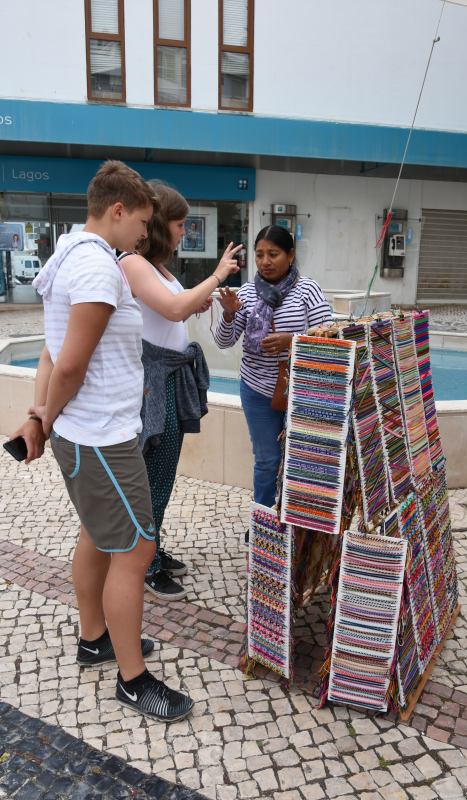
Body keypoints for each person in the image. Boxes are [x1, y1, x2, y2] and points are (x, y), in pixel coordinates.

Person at [8, 161, 194, 722]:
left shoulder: (72, 252)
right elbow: (69, 365)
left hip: (88, 433)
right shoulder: (93, 266)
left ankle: (96, 639)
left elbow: (50, 350)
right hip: (101, 438)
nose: (145, 232)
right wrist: (43, 418)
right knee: (136, 550)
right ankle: (133, 680)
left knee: (97, 534)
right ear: (117, 210)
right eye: (141, 220)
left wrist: (43, 416)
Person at [120, 181, 241, 599]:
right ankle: (145, 564)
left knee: (163, 476)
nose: (183, 232)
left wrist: (199, 299)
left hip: (169, 379)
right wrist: (216, 276)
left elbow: (177, 306)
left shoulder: (161, 270)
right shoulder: (133, 263)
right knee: (152, 478)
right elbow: (173, 308)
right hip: (153, 383)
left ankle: (152, 550)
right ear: (157, 224)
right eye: (179, 223)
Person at [215, 225, 332, 509]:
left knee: (301, 458)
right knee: (267, 459)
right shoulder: (246, 292)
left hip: (300, 390)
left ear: (290, 255)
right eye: (259, 255)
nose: (265, 261)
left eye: (273, 254)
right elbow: (223, 342)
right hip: (257, 389)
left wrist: (292, 341)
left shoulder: (308, 290)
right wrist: (230, 313)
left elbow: (331, 336)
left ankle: (295, 518)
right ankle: (264, 519)